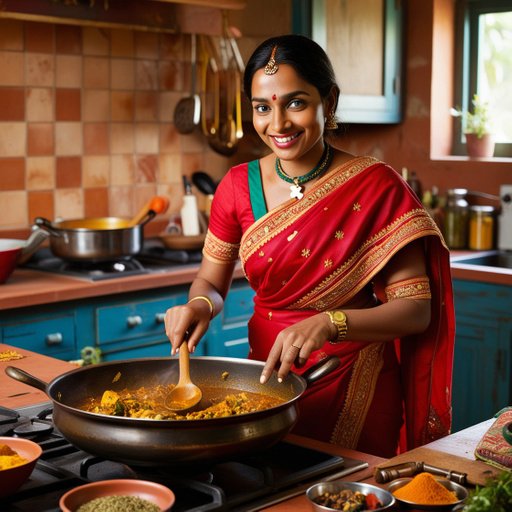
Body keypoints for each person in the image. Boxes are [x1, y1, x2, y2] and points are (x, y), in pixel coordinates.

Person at [164, 34, 455, 457]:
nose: (278, 124)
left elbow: (416, 310)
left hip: (355, 378)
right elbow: (210, 281)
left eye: (295, 103)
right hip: (264, 383)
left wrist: (330, 323)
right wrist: (199, 306)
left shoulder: (376, 186)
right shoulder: (235, 187)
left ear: (329, 101)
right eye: (263, 108)